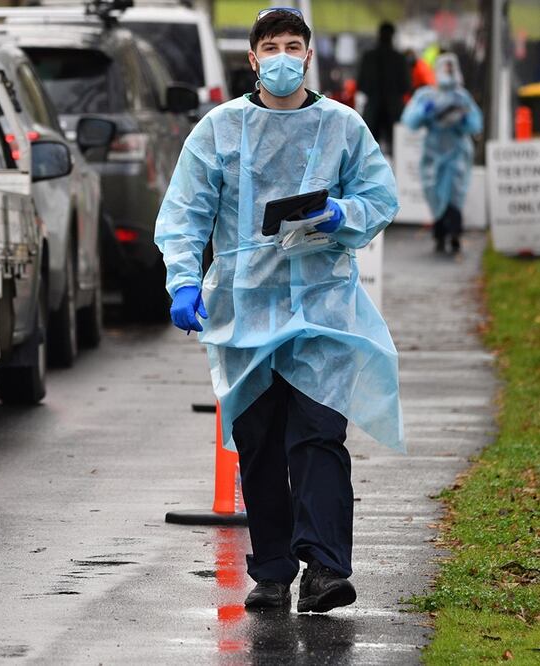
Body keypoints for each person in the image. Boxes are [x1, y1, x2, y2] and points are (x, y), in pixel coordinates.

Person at [154, 9, 404, 614]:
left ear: (309, 56)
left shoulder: (342, 126)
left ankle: (325, 569)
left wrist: (342, 214)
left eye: (294, 45)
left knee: (319, 435)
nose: (283, 57)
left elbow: (378, 196)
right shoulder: (219, 129)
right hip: (245, 311)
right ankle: (271, 571)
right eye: (271, 46)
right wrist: (183, 281)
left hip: (322, 308)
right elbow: (185, 213)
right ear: (253, 58)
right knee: (259, 441)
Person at [401, 53, 483, 254]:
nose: (448, 73)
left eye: (451, 69)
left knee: (455, 194)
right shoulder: (426, 95)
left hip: (457, 154)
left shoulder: (462, 97)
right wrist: (424, 111)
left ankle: (454, 235)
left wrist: (463, 119)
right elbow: (409, 120)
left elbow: (475, 124)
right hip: (433, 155)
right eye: (444, 68)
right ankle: (440, 235)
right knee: (435, 193)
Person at [358, 22, 410, 153]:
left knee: (368, 150)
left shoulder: (369, 57)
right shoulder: (399, 58)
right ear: (392, 36)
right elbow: (406, 86)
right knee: (397, 149)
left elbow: (361, 84)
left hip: (373, 108)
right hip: (394, 109)